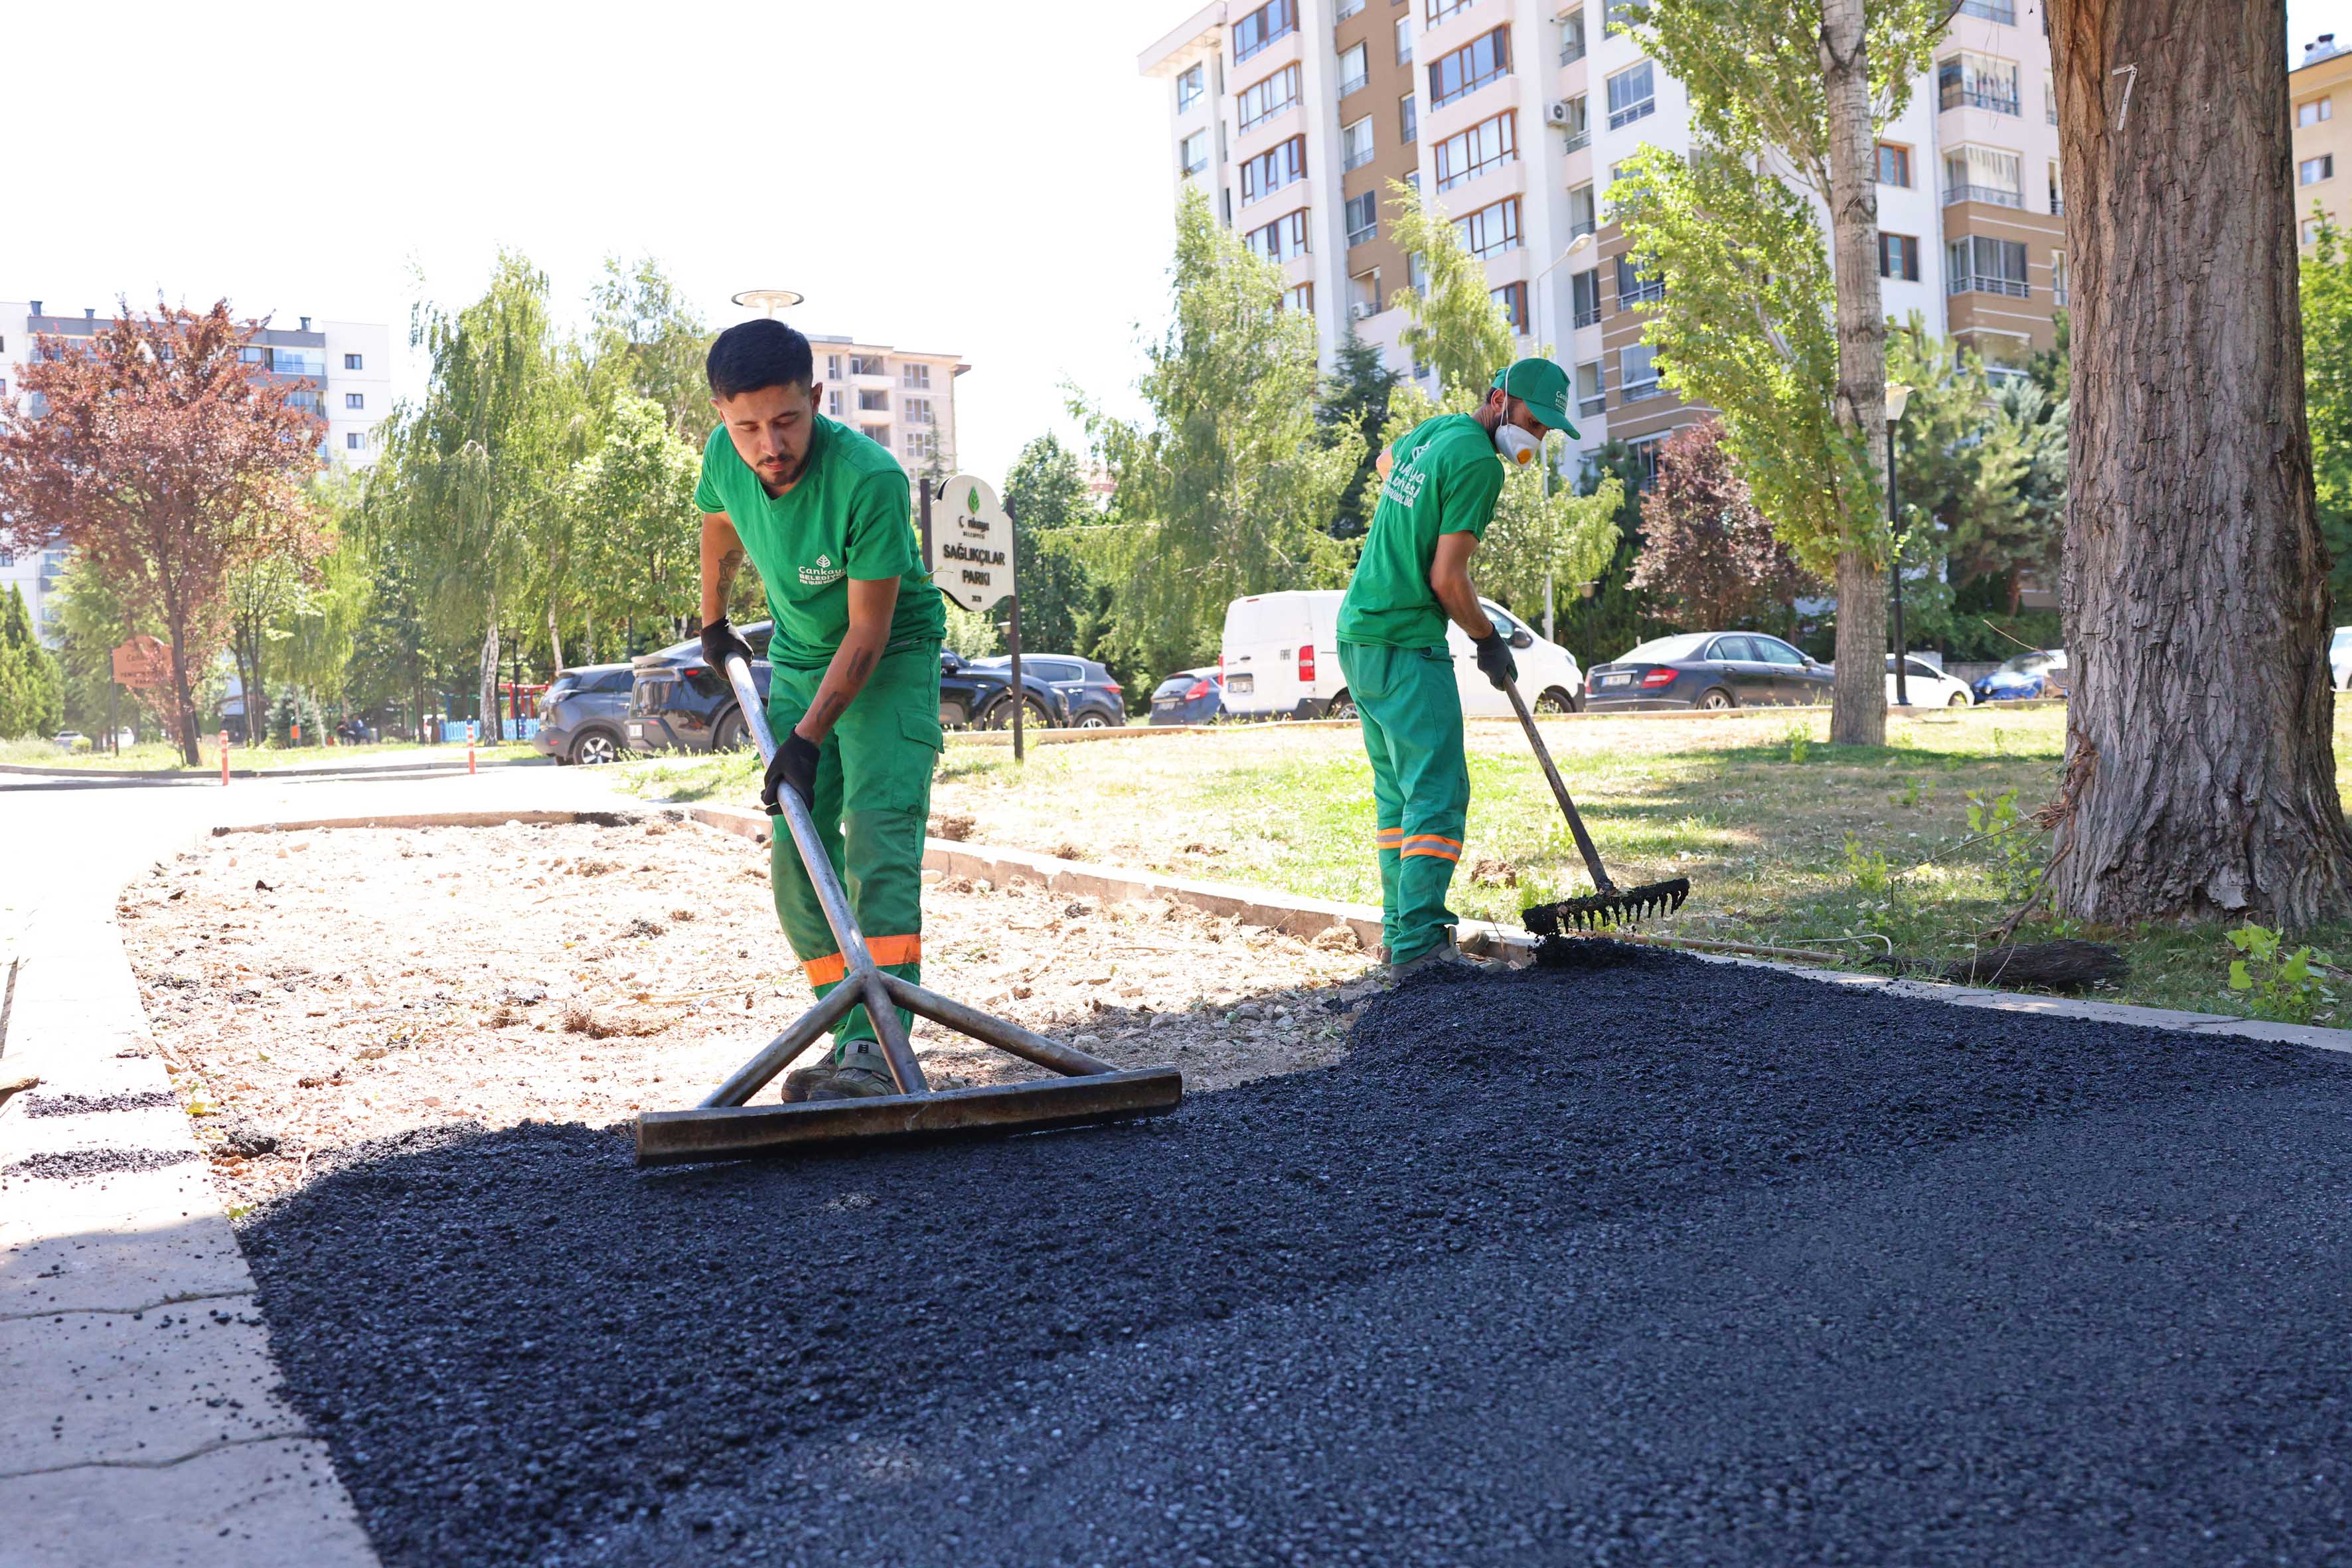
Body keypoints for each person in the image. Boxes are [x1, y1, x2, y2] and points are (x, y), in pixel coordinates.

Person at [694, 319, 948, 1100]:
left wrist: (805, 739)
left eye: (786, 421)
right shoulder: (723, 457)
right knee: (797, 869)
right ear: (722, 417)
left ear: (816, 397)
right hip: (803, 658)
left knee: (876, 840)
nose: (768, 444)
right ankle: (850, 1033)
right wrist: (712, 619)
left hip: (890, 659)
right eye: (747, 427)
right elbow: (719, 524)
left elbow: (869, 632)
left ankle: (878, 1048)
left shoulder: (868, 478)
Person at [1335, 358, 1579, 977]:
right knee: (1439, 794)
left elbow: (1386, 464)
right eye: (1533, 420)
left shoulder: (1438, 432)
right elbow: (1447, 579)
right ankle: (1419, 947)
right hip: (1406, 638)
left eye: (1548, 430)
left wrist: (1409, 522)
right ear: (1499, 400)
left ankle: (1399, 933)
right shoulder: (1476, 463)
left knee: (1400, 796)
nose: (1537, 438)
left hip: (1359, 633)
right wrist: (1488, 637)